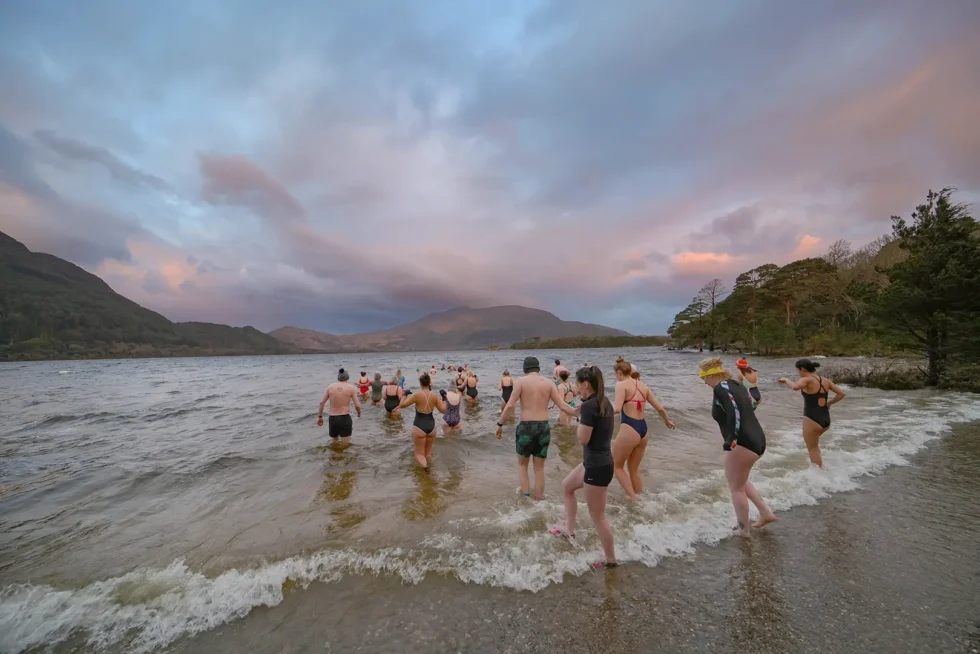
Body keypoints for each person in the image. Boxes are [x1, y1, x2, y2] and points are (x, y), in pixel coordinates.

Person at [699, 357, 777, 537]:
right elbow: (754, 403)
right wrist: (755, 385)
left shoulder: (720, 388)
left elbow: (734, 412)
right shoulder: (735, 384)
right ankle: (765, 512)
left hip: (743, 442)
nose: (704, 382)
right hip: (757, 439)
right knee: (738, 480)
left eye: (704, 378)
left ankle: (744, 530)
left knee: (736, 488)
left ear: (712, 375)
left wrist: (731, 439)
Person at [552, 365, 617, 568]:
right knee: (567, 486)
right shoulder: (603, 401)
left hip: (597, 467)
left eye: (578, 385)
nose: (577, 389)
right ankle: (569, 531)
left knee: (598, 517)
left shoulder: (589, 406)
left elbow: (582, 438)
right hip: (597, 462)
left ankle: (611, 561)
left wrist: (580, 416)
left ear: (586, 384)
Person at [496, 356, 579, 499]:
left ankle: (526, 498)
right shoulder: (549, 383)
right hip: (543, 427)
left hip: (526, 427)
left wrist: (500, 424)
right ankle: (540, 498)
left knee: (523, 466)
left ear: (525, 368)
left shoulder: (520, 382)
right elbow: (563, 405)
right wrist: (580, 413)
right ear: (538, 368)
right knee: (539, 468)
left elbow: (510, 405)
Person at [611, 356, 675, 500]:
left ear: (619, 372)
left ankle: (633, 498)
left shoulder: (621, 385)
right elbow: (659, 408)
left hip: (629, 427)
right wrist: (667, 421)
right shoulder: (644, 386)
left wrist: (599, 412)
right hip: (643, 430)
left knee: (617, 466)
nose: (615, 376)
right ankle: (641, 498)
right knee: (633, 470)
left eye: (615, 373)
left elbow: (617, 409)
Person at [778, 358, 846, 468]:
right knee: (814, 445)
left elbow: (795, 387)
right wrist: (830, 403)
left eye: (798, 371)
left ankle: (819, 476)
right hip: (825, 419)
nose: (799, 373)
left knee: (812, 448)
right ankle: (822, 468)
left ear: (803, 369)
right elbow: (841, 394)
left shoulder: (807, 379)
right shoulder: (825, 380)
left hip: (812, 419)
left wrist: (786, 380)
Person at [399, 372, 447, 468]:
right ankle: (429, 471)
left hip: (419, 426)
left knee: (419, 454)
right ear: (429, 382)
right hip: (432, 427)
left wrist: (404, 395)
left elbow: (402, 405)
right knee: (427, 453)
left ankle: (426, 472)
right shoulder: (434, 396)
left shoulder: (417, 395)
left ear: (420, 383)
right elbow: (443, 410)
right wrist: (444, 398)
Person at [317, 368, 362, 443]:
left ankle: (334, 454)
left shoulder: (330, 387)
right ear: (347, 377)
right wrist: (359, 413)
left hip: (332, 419)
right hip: (344, 418)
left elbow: (322, 403)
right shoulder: (351, 388)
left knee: (334, 443)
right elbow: (357, 405)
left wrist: (320, 417)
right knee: (346, 444)